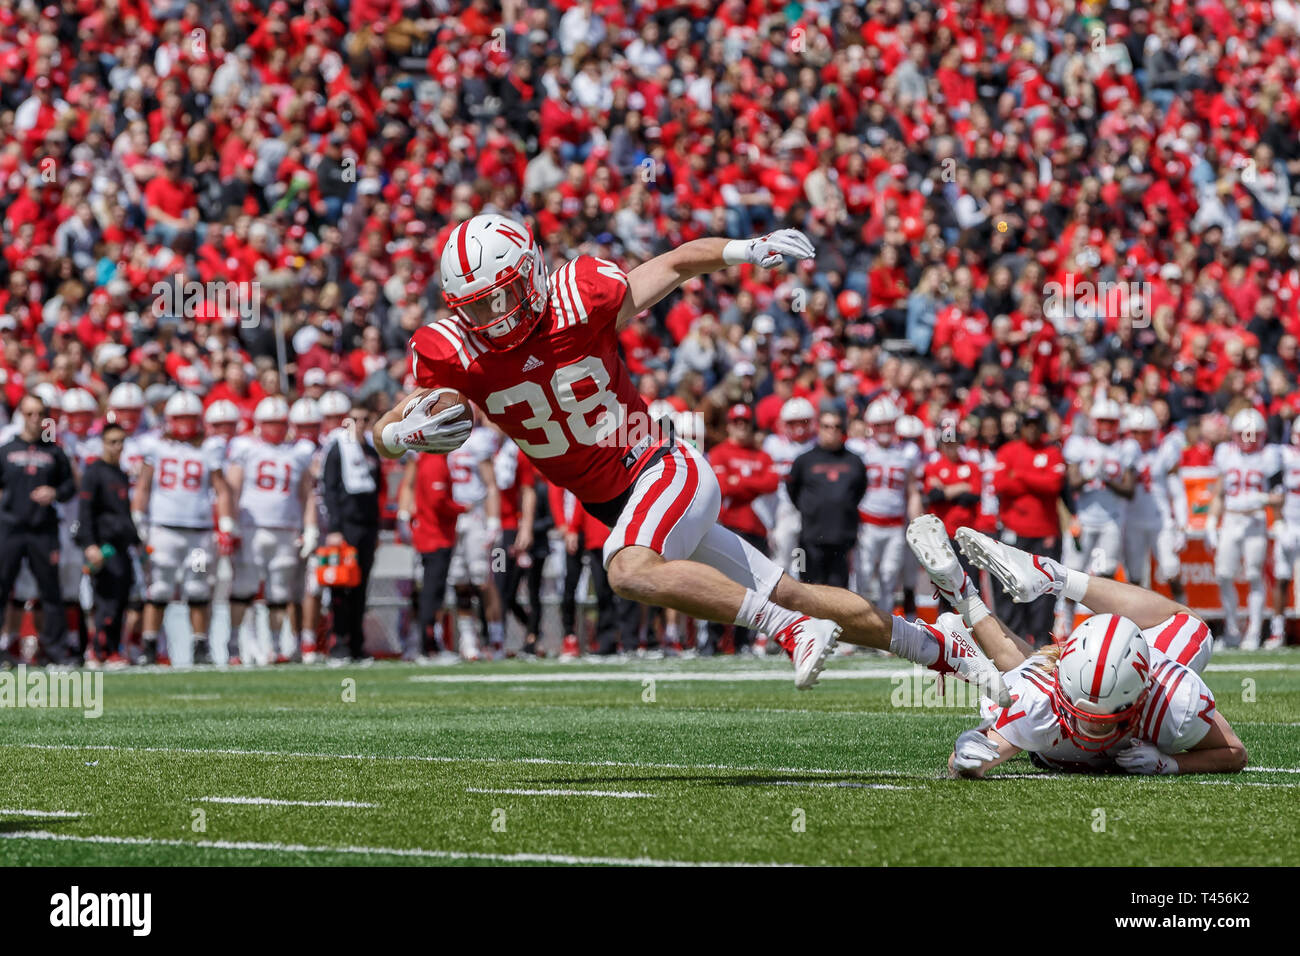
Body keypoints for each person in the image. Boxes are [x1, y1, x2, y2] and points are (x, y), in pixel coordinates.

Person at [372, 214, 1001, 694]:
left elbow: (672, 265)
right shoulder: (451, 348)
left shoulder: (578, 296)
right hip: (615, 502)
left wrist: (744, 250)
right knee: (793, 591)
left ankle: (788, 633)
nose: (492, 315)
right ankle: (943, 650)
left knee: (626, 569)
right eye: (475, 304)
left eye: (499, 295)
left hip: (660, 468)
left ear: (531, 274)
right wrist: (395, 436)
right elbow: (393, 419)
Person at [905, 516, 1246, 777]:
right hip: (1049, 687)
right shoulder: (1039, 700)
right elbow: (972, 761)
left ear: (1145, 691)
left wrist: (1172, 764)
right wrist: (966, 755)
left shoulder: (1173, 697)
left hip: (1125, 668)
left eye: (1107, 719)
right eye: (1087, 716)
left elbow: (1234, 752)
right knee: (1024, 675)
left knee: (1194, 628)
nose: (1094, 729)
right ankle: (1039, 580)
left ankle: (974, 593)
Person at [132, 390, 235, 665]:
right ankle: (150, 645)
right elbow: (143, 485)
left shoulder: (209, 447)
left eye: (190, 418)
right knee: (160, 588)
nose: (186, 424)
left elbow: (221, 488)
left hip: (199, 534)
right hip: (164, 530)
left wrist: (225, 524)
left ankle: (200, 646)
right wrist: (138, 518)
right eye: (180, 418)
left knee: (198, 588)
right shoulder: (156, 446)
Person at [224, 396, 318, 663]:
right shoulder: (246, 448)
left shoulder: (299, 451)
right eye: (270, 423)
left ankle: (276, 647)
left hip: (286, 529)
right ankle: (233, 644)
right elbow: (233, 488)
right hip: (252, 527)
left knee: (279, 592)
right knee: (243, 587)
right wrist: (229, 522)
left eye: (279, 423)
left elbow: (307, 494)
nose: (275, 428)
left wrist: (310, 527)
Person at [0, 393, 78, 664]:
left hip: (43, 529)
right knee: (2, 588)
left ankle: (55, 651)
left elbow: (70, 488)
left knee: (50, 591)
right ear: (21, 415)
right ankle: (4, 648)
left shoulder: (54, 452)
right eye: (29, 413)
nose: (35, 419)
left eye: (39, 414)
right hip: (10, 528)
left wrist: (54, 491)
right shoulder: (7, 449)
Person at [1206, 408, 1281, 649]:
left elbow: (1278, 497)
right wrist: (1211, 521)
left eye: (1253, 434)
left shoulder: (1269, 455)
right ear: (1234, 435)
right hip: (1231, 520)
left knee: (1253, 576)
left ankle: (1254, 631)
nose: (1249, 440)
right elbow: (1219, 493)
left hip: (1255, 521)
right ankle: (1232, 628)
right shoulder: (1226, 453)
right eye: (1244, 434)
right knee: (1224, 575)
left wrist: (1260, 501)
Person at [992, 408, 1067, 645]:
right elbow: (1001, 484)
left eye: (1036, 424)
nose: (1032, 428)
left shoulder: (1052, 452)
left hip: (1044, 534)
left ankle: (1041, 644)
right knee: (1010, 590)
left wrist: (1021, 476)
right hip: (1014, 532)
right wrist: (1037, 478)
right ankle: (1014, 644)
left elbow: (1053, 485)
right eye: (1027, 424)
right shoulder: (1008, 451)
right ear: (1021, 426)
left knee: (1045, 592)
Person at [708, 403, 778, 653]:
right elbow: (723, 487)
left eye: (745, 423)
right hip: (728, 527)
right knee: (720, 585)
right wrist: (752, 485)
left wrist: (741, 481)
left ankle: (743, 641)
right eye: (736, 423)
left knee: (753, 588)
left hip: (755, 529)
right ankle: (714, 640)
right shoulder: (719, 453)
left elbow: (772, 482)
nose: (741, 427)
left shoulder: (762, 455)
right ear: (728, 426)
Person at [847, 396, 921, 610]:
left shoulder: (907, 452)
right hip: (867, 524)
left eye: (888, 424)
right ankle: (855, 629)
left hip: (895, 525)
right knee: (862, 576)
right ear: (871, 426)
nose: (884, 429)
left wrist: (916, 522)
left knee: (889, 578)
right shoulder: (860, 449)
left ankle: (885, 634)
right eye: (879, 425)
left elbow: (912, 490)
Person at [76, 423, 139, 666]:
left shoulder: (121, 473)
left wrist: (137, 540)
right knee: (105, 601)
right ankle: (99, 650)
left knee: (121, 599)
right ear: (103, 443)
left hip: (121, 545)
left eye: (121, 441)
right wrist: (90, 545)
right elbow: (85, 510)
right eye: (113, 441)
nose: (118, 446)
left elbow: (123, 514)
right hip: (103, 545)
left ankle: (113, 649)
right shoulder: (94, 472)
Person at [322, 402, 382, 660]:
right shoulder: (338, 448)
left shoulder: (370, 450)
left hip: (366, 526)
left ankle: (357, 643)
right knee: (341, 586)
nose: (358, 424)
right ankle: (339, 641)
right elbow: (330, 488)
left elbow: (376, 490)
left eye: (363, 419)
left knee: (361, 586)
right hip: (345, 526)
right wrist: (335, 527)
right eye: (354, 419)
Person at [787, 409, 867, 590]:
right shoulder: (804, 460)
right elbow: (793, 489)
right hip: (811, 537)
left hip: (842, 539)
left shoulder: (854, 461)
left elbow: (860, 491)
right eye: (827, 426)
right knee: (810, 590)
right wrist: (809, 508)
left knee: (838, 593)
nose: (832, 430)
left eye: (837, 426)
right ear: (818, 428)